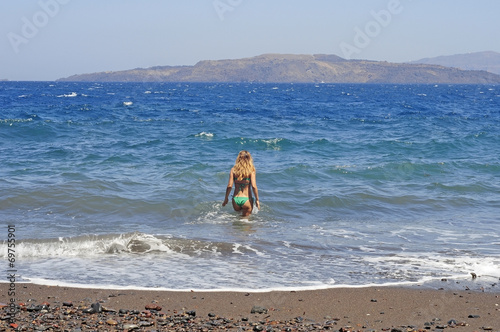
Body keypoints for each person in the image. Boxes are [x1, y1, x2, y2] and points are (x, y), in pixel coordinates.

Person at [222, 150, 260, 217]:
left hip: (236, 199)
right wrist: (257, 200)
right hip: (247, 199)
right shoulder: (251, 170)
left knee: (238, 220)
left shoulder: (233, 169)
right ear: (249, 158)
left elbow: (229, 186)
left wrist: (226, 198)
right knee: (245, 223)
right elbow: (254, 186)